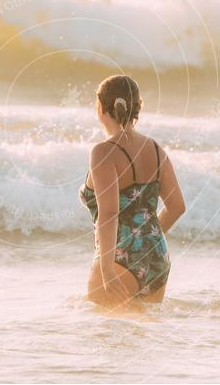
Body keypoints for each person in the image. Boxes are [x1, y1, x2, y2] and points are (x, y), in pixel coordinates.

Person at [79, 75, 186, 308]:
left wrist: (107, 268)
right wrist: (147, 240)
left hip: (118, 258)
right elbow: (177, 206)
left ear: (100, 107)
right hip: (157, 256)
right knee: (140, 333)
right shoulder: (157, 150)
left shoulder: (103, 152)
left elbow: (109, 213)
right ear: (138, 108)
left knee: (103, 332)